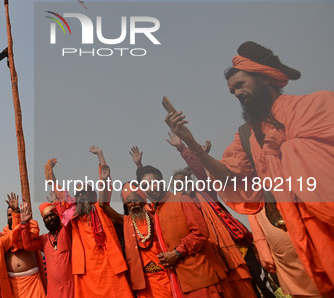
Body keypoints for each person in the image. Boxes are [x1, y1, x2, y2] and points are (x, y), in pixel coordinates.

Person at [164, 41, 334, 295]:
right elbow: (228, 176)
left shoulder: (317, 104)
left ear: (265, 78)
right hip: (291, 239)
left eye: (241, 85)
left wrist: (284, 147)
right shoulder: (247, 135)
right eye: (232, 91)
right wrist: (190, 140)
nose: (236, 93)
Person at [165, 133, 258, 298]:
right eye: (177, 183)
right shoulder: (178, 207)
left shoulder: (205, 192)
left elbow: (198, 169)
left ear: (190, 180)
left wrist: (182, 148)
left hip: (234, 251)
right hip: (210, 261)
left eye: (184, 180)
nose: (181, 184)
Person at [46, 147, 132, 298]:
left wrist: (100, 157)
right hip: (86, 272)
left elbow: (105, 185)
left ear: (93, 195)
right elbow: (59, 192)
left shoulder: (101, 208)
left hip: (110, 268)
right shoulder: (73, 216)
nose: (82, 196)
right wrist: (49, 171)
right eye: (79, 194)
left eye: (86, 193)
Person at [139, 165, 225, 297]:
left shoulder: (181, 199)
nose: (150, 188)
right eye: (145, 186)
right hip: (177, 280)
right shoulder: (154, 212)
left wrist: (177, 253)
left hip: (199, 278)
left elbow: (200, 232)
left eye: (153, 183)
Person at [97, 161, 172, 298]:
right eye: (129, 202)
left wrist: (140, 166)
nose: (133, 204)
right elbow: (102, 205)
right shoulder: (126, 222)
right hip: (143, 280)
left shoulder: (155, 214)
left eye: (136, 200)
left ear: (143, 201)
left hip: (164, 275)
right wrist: (104, 179)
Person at [20, 196, 74, 298]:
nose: (50, 219)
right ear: (44, 221)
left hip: (71, 288)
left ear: (57, 214)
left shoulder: (66, 232)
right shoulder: (44, 240)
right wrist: (24, 224)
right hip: (53, 291)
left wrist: (57, 202)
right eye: (46, 218)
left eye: (51, 215)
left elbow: (66, 219)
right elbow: (27, 245)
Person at [2, 193, 47, 298]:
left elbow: (23, 238)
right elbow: (13, 239)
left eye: (14, 213)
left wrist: (23, 222)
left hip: (33, 281)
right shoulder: (3, 234)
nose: (12, 216)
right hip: (13, 283)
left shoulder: (32, 226)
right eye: (10, 214)